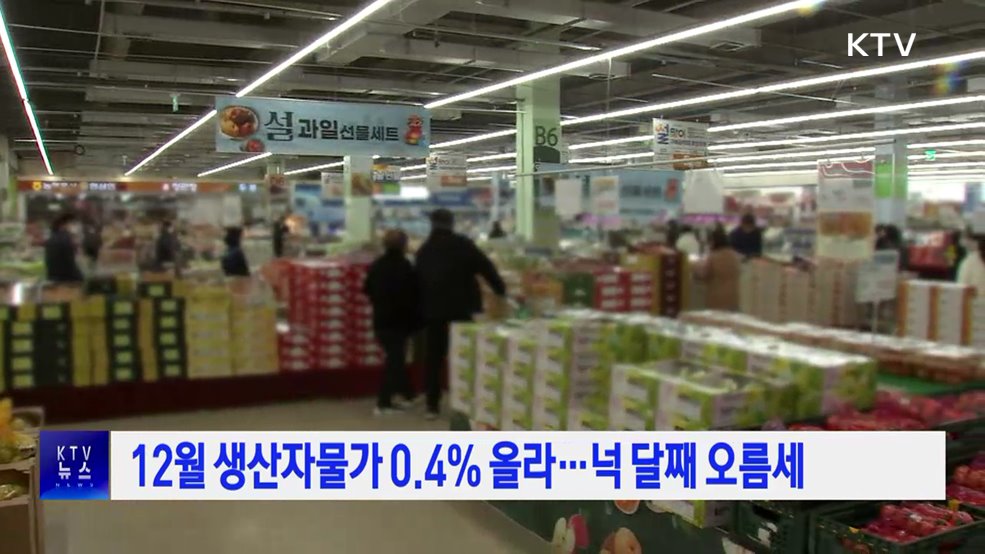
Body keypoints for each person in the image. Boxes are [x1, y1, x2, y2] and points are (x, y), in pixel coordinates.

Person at [416, 209, 506, 419]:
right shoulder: (464, 245)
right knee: (464, 354)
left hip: (433, 311)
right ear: (452, 223)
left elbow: (416, 282)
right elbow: (486, 267)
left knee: (434, 357)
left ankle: (432, 405)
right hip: (462, 308)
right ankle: (465, 402)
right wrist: (500, 289)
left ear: (432, 224)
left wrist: (418, 310)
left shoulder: (425, 250)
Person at [363, 229, 420, 416]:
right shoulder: (405, 266)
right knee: (395, 361)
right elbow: (413, 294)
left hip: (381, 319)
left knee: (396, 358)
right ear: (404, 245)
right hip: (399, 321)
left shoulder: (377, 265)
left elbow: (366, 289)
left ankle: (407, 394)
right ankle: (383, 404)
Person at [694, 227, 741, 311]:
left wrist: (696, 268)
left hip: (717, 300)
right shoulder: (735, 255)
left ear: (713, 241)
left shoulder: (713, 257)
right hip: (733, 298)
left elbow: (703, 275)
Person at [44, 213, 84, 283]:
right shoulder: (65, 239)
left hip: (53, 279)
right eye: (72, 223)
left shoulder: (52, 238)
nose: (74, 227)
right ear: (63, 225)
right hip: (67, 281)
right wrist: (81, 279)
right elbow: (70, 265)